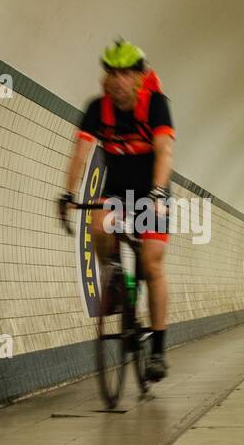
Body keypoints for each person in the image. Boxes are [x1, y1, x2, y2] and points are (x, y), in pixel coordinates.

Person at [60, 39, 175, 381]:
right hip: (118, 190)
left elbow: (165, 151)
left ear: (139, 77)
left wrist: (156, 192)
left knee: (152, 263)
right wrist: (68, 193)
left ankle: (157, 349)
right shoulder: (98, 108)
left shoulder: (156, 105)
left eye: (125, 73)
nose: (117, 80)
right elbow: (80, 152)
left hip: (153, 188)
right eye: (111, 72)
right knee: (98, 226)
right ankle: (116, 280)